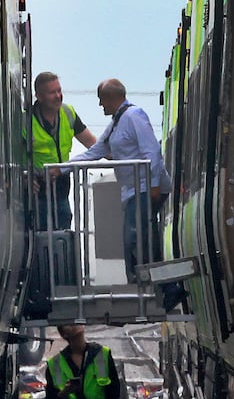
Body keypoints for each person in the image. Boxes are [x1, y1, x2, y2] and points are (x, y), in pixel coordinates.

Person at [72, 78, 172, 283]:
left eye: (102, 100)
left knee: (136, 238)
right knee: (137, 239)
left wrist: (154, 184)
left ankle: (157, 287)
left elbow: (151, 150)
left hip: (144, 187)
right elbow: (96, 151)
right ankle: (148, 285)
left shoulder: (134, 116)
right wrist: (62, 169)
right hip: (134, 190)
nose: (100, 105)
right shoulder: (116, 123)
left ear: (111, 97)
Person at [30, 71, 97, 231]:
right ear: (39, 97)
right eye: (52, 92)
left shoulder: (68, 113)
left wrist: (116, 154)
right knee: (40, 234)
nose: (58, 96)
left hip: (61, 188)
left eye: (59, 91)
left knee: (64, 229)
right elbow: (13, 154)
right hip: (36, 191)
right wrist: (24, 177)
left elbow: (93, 144)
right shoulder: (26, 118)